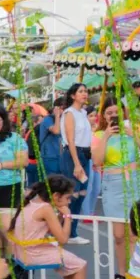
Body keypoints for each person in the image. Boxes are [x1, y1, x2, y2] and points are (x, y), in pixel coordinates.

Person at [10, 176, 99, 279]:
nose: (69, 202)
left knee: (71, 264)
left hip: (26, 251)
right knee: (80, 265)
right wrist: (67, 216)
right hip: (33, 253)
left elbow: (52, 230)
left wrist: (59, 215)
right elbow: (63, 238)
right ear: (56, 196)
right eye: (67, 198)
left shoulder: (36, 203)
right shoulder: (46, 208)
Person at [93, 102, 140, 279]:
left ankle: (136, 274)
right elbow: (97, 161)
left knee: (134, 233)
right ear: (104, 116)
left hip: (135, 181)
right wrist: (107, 136)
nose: (113, 115)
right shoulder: (99, 135)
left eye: (117, 112)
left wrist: (134, 134)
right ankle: (122, 274)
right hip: (112, 183)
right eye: (109, 113)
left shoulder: (134, 129)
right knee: (118, 235)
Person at [59, 83, 92, 245]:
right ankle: (62, 230)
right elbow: (70, 140)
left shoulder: (84, 113)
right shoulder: (69, 113)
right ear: (73, 95)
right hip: (74, 154)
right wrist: (77, 163)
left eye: (85, 91)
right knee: (71, 194)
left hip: (86, 153)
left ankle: (72, 231)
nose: (84, 94)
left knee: (82, 193)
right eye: (81, 91)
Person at [37, 98, 64, 179]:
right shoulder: (47, 120)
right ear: (56, 108)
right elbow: (56, 131)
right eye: (63, 108)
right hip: (49, 157)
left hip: (60, 156)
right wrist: (57, 116)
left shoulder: (63, 119)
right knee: (51, 182)